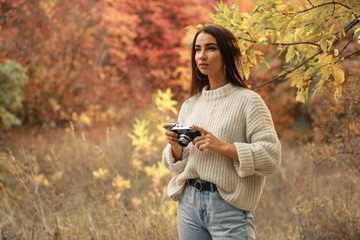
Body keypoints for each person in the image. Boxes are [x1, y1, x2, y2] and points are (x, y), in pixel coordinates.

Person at [162, 24, 281, 240]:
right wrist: (175, 146)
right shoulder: (191, 104)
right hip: (188, 203)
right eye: (197, 49)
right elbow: (179, 163)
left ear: (227, 53)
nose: (202, 56)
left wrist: (224, 147)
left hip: (229, 207)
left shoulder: (248, 101)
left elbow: (271, 156)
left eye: (210, 48)